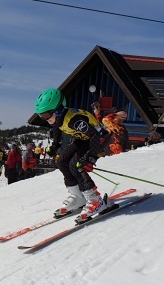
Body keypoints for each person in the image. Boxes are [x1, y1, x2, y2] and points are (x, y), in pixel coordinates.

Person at [29, 88, 110, 221]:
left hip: (98, 139)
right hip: (83, 139)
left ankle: (96, 201)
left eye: (46, 115)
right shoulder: (58, 119)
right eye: (41, 116)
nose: (44, 119)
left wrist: (90, 156)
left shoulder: (74, 120)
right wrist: (54, 145)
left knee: (76, 165)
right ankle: (78, 197)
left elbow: (95, 135)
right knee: (62, 162)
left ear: (58, 110)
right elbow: (57, 129)